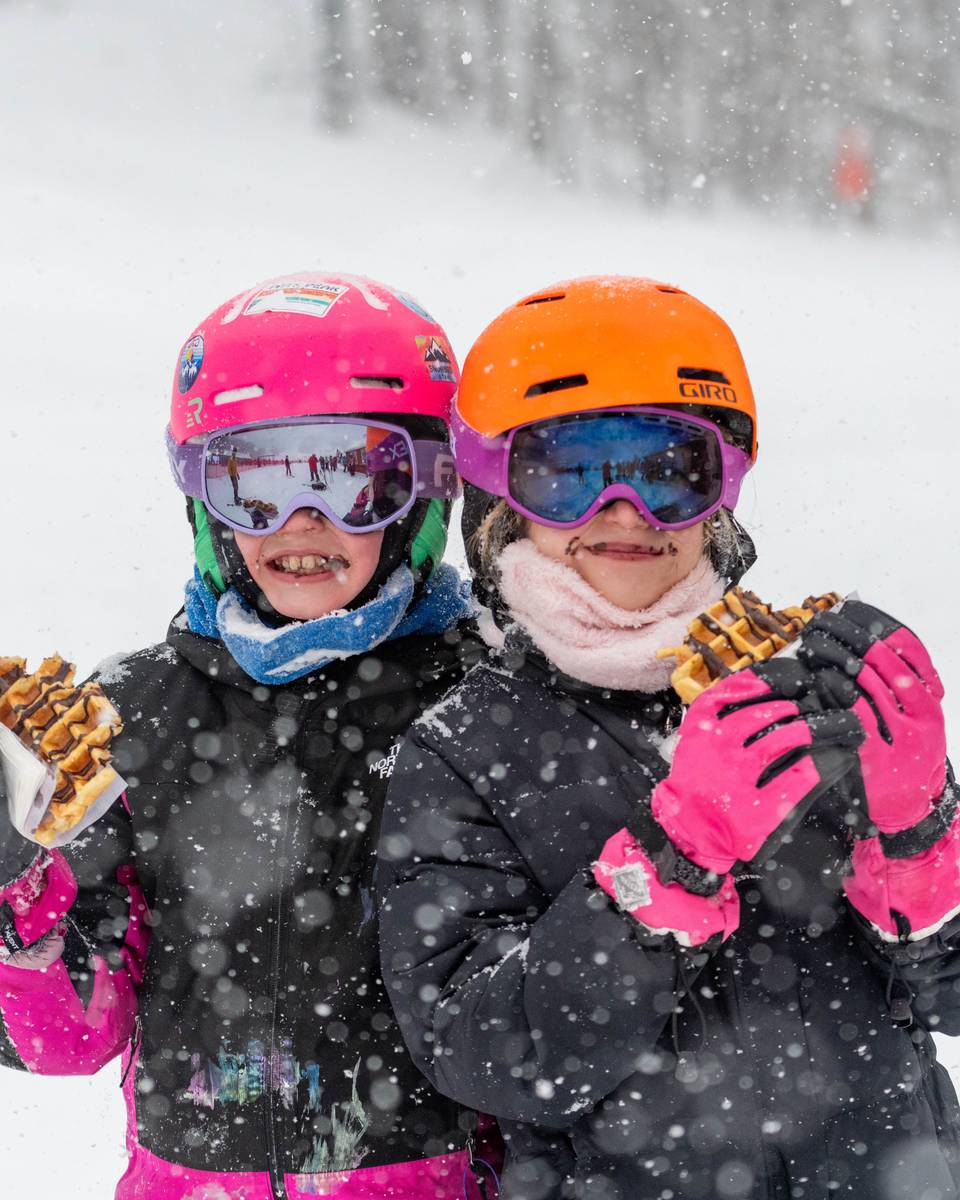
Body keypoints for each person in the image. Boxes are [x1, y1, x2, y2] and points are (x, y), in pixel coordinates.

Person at [378, 276, 960, 1199]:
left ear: (719, 493)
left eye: (666, 471)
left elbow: (948, 992)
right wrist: (671, 859)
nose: (624, 512)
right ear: (501, 501)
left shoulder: (820, 691)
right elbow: (485, 1052)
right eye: (568, 474)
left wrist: (921, 828)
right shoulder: (464, 750)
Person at [0, 272, 494, 1199]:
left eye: (353, 477)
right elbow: (69, 1036)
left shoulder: (481, 706)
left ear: (428, 489)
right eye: (254, 483)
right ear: (202, 499)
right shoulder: (131, 715)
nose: (304, 523)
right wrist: (15, 889)